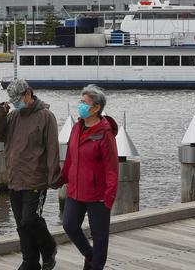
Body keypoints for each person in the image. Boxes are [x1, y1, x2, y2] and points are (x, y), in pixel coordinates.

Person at [0, 78, 61, 270]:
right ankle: (29, 261)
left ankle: (49, 249)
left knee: (31, 219)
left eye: (17, 99)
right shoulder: (13, 116)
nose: (14, 103)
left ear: (28, 94)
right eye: (11, 100)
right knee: (22, 225)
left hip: (35, 180)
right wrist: (0, 113)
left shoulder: (46, 116)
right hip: (15, 178)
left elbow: (53, 148)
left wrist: (54, 177)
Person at [61, 84, 119, 270]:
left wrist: (109, 196)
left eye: (84, 102)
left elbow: (112, 168)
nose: (80, 105)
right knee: (69, 225)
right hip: (75, 190)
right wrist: (62, 178)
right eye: (80, 101)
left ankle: (96, 266)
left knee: (100, 236)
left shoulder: (104, 133)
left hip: (98, 195)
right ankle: (89, 255)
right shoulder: (77, 127)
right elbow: (70, 157)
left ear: (96, 108)